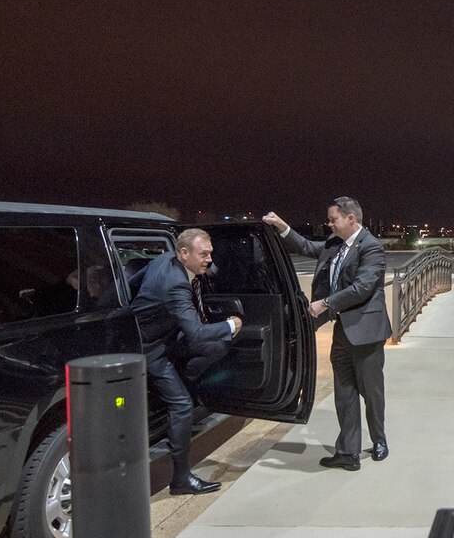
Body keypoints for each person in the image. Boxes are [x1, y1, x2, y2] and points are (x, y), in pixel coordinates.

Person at [264, 198, 392, 471]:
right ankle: (348, 452)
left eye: (333, 219)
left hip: (366, 333)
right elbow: (306, 246)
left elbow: (362, 287)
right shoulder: (334, 245)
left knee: (372, 392)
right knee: (344, 393)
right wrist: (282, 226)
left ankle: (379, 439)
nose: (329, 223)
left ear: (350, 219)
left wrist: (325, 304)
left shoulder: (371, 247)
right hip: (343, 331)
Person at [131, 229, 242, 495]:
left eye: (210, 253)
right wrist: (230, 324)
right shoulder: (177, 286)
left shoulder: (162, 260)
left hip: (161, 336)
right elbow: (196, 332)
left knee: (216, 348)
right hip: (151, 350)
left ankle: (185, 381)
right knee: (181, 405)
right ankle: (180, 479)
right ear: (184, 253)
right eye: (203, 254)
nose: (209, 259)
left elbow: (134, 282)